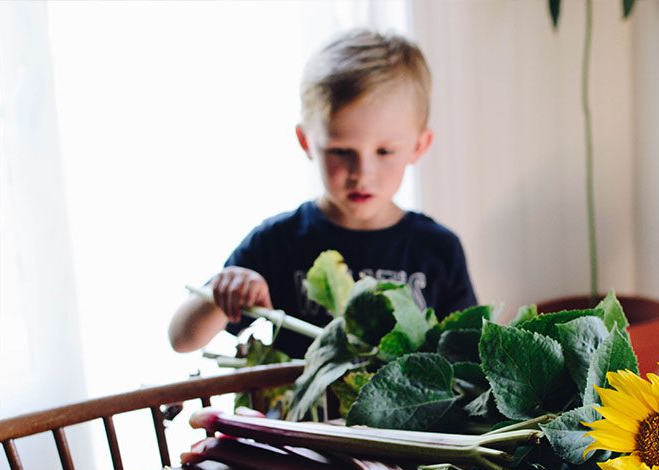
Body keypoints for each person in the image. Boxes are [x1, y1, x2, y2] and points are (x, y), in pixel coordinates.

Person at [168, 29, 477, 359]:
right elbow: (182, 338)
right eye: (341, 151)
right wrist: (222, 292)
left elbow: (467, 355)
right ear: (306, 142)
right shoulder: (277, 242)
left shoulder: (437, 249)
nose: (362, 172)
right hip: (300, 411)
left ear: (418, 146)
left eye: (385, 151)